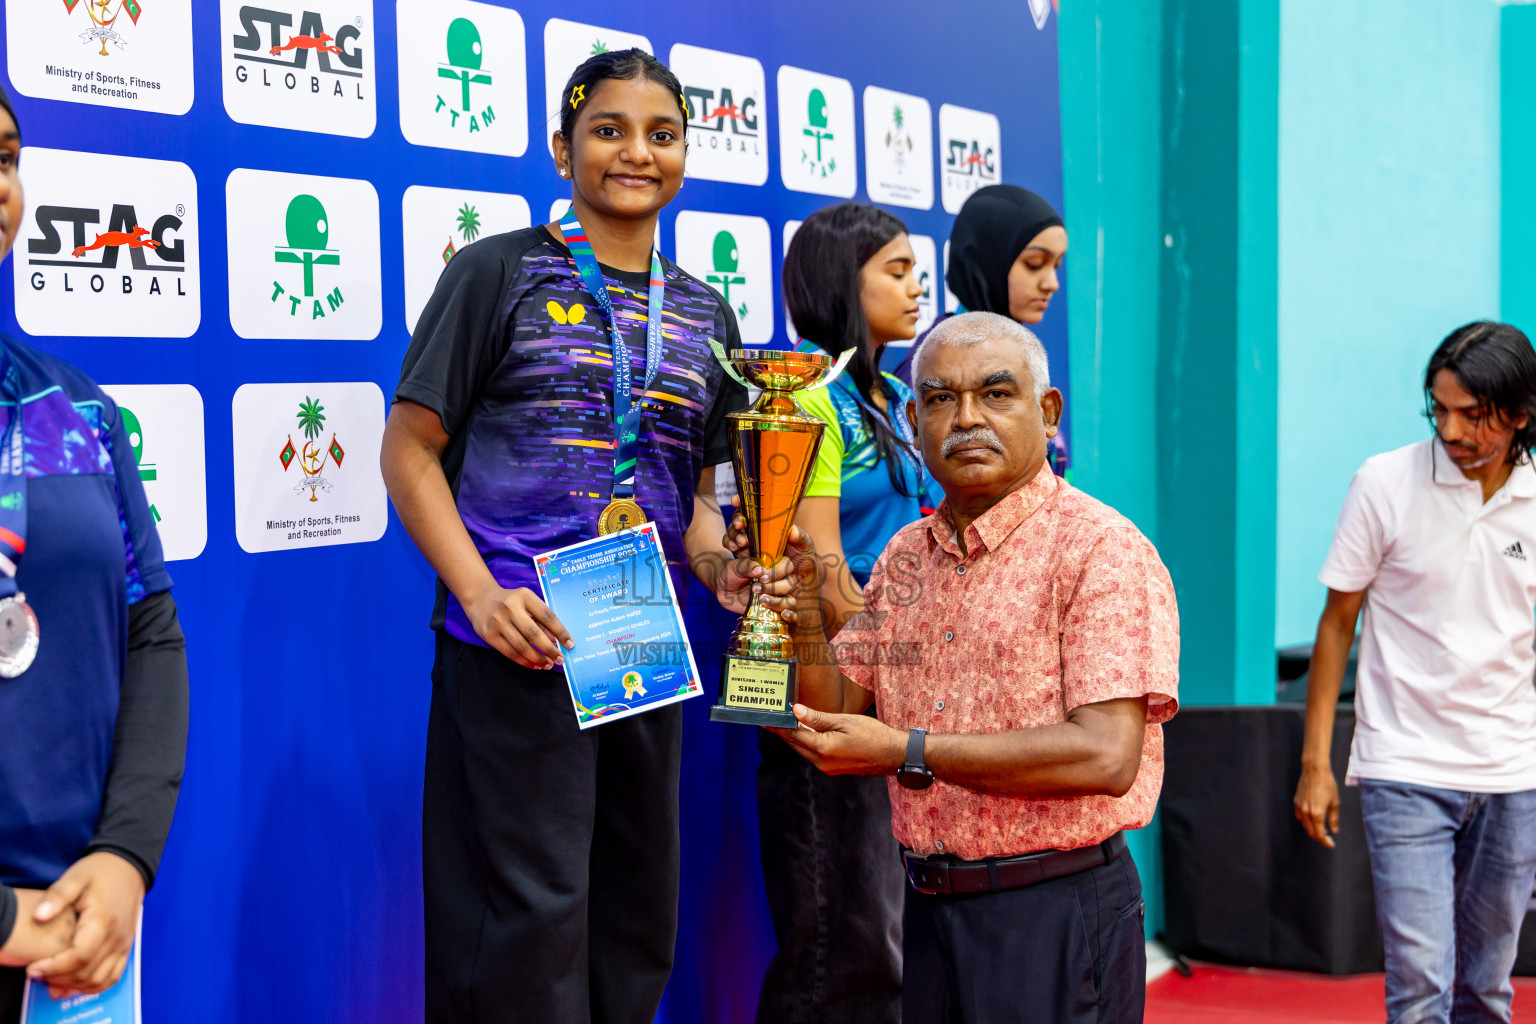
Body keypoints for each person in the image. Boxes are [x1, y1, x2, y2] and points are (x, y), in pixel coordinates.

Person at [381, 49, 761, 1024]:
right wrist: (477, 593)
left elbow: (701, 493)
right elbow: (409, 452)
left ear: (685, 154)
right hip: (517, 638)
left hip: (641, 639)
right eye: (609, 130)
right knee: (520, 925)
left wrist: (721, 566)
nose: (637, 152)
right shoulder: (497, 272)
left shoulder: (704, 311)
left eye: (662, 134)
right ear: (563, 148)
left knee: (636, 916)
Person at [737, 311, 1179, 1023]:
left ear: (1048, 410)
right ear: (913, 419)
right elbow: (839, 708)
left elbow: (1106, 756)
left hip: (1053, 912)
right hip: (931, 911)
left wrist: (908, 751)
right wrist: (798, 598)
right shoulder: (908, 554)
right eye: (941, 399)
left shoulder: (1101, 550)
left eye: (995, 394)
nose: (966, 419)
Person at [0, 85, 189, 1022]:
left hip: (80, 933)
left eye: (2, 157)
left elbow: (147, 634)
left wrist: (122, 859)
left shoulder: (68, 409)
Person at [1293, 321, 1536, 1024]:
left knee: (1488, 988)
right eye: (1440, 408)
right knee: (1421, 987)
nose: (1452, 431)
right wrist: (1317, 763)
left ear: (1521, 415)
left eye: (1474, 415)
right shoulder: (1385, 481)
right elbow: (1338, 622)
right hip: (1404, 768)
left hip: (1513, 775)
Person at [755, 202, 927, 1024]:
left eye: (916, 268)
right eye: (895, 270)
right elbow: (819, 570)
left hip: (895, 678)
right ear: (839, 283)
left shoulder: (899, 394)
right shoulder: (804, 397)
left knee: (885, 926)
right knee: (840, 935)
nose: (917, 284)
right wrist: (897, 668)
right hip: (829, 676)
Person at [892, 184, 1066, 388]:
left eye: (1056, 265)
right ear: (988, 263)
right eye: (1034, 264)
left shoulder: (1016, 353)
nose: (1052, 284)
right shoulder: (931, 366)